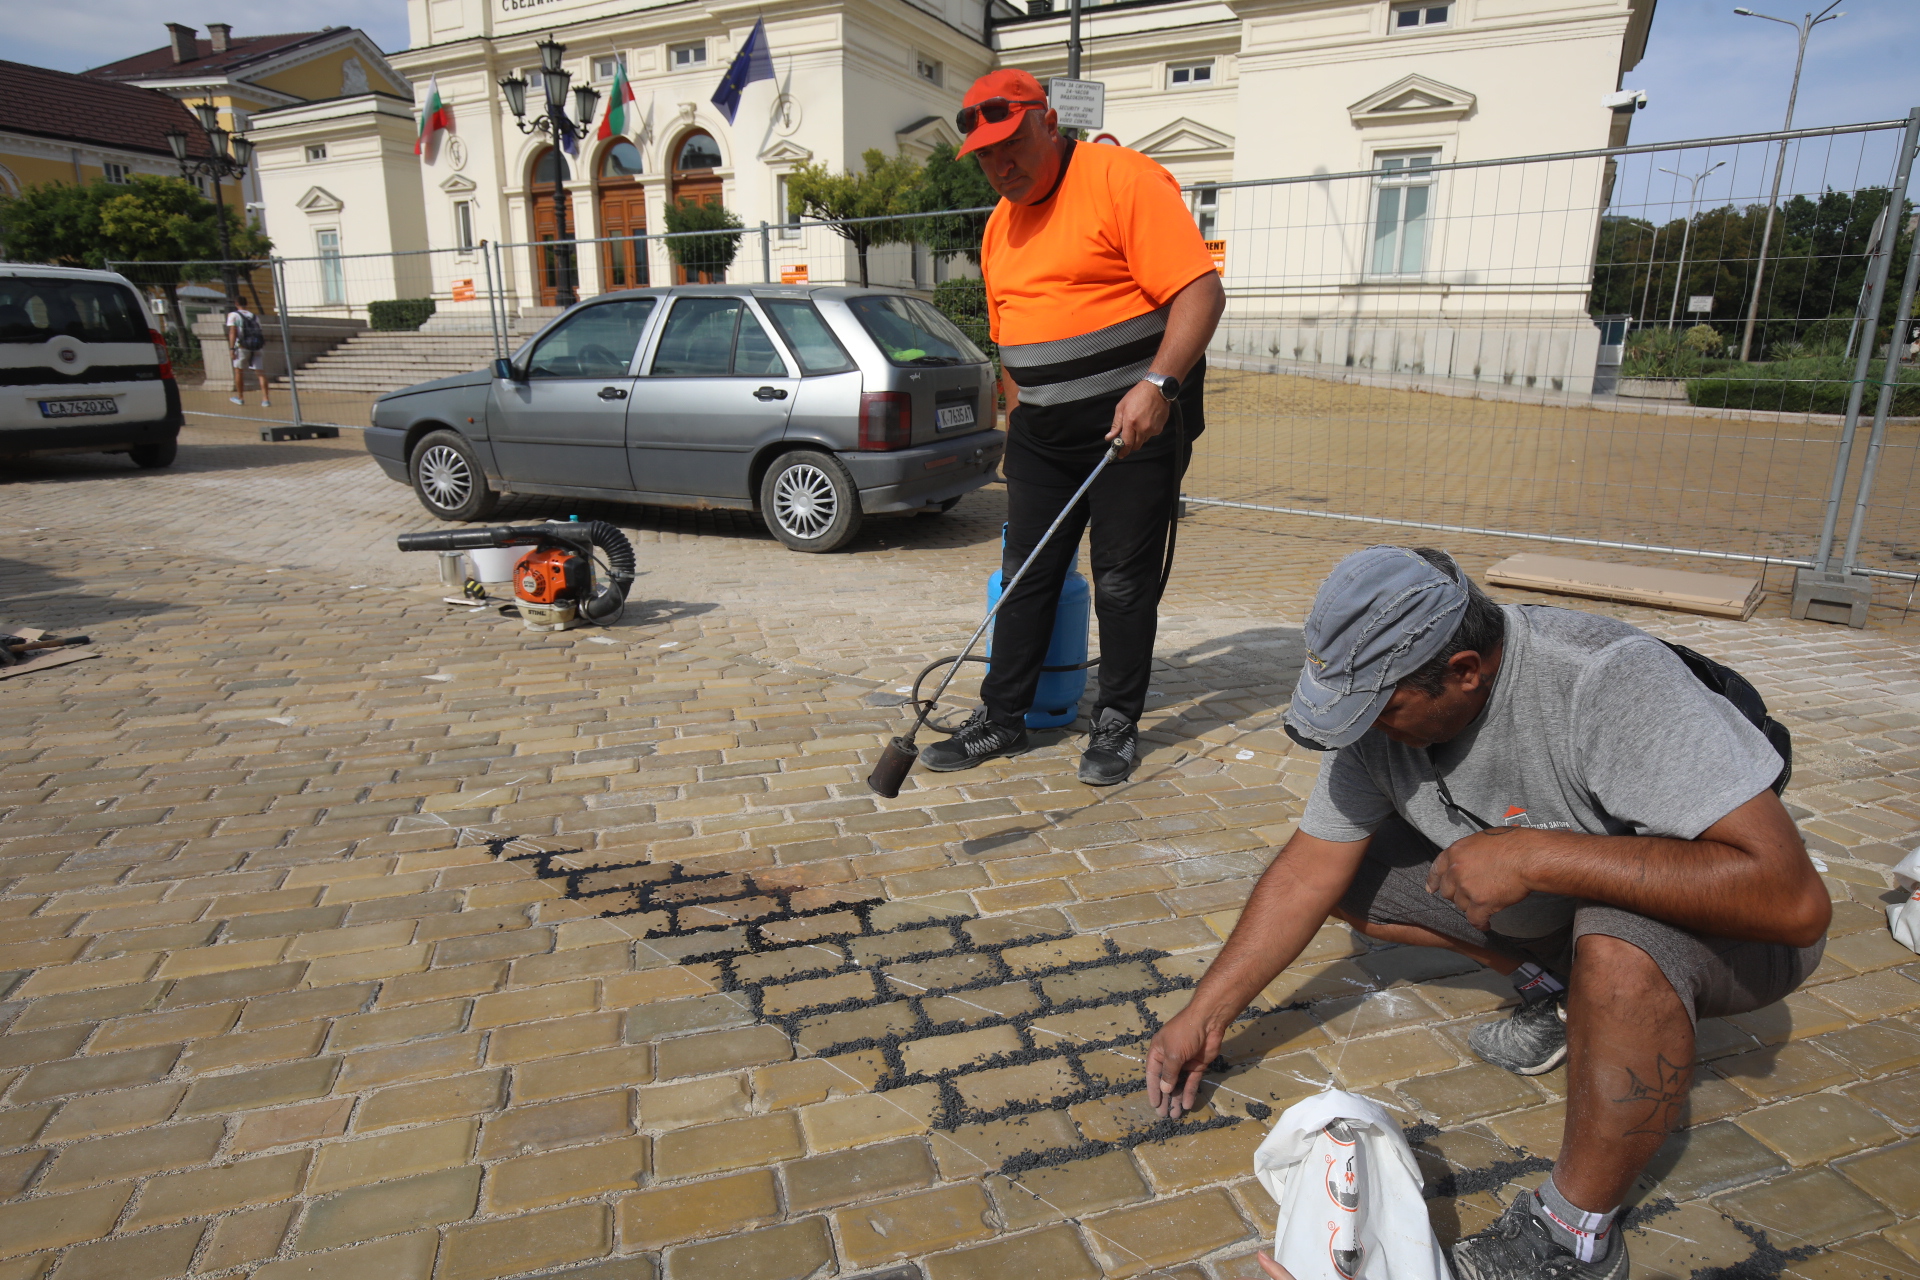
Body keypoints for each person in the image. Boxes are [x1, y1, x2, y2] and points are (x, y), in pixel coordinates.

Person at [1145, 545, 1828, 1280]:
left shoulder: (1604, 681)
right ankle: (1562, 991)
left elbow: (1792, 903)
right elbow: (1311, 868)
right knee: (1352, 875)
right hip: (1572, 906)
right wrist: (1205, 1014)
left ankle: (1577, 1236)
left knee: (1619, 943)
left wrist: (1535, 856)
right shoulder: (1385, 715)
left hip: (1732, 929)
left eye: (1379, 708)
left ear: (1465, 671)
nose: (1364, 730)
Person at [919, 68, 1225, 786]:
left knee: (1120, 582)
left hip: (1135, 424)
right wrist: (1015, 426)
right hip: (1043, 436)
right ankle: (1002, 719)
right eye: (987, 156)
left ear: (1049, 123)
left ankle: (1116, 722)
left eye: (1013, 144)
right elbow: (1012, 344)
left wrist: (1157, 386)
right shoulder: (999, 226)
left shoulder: (1123, 180)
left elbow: (1200, 292)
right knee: (1026, 575)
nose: (1002, 165)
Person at [226, 297, 270, 408]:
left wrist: (231, 349)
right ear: (247, 304)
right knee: (260, 373)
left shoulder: (233, 315)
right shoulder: (254, 316)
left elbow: (233, 332)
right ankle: (265, 399)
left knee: (239, 371)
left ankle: (240, 397)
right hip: (256, 346)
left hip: (242, 346)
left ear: (236, 303)